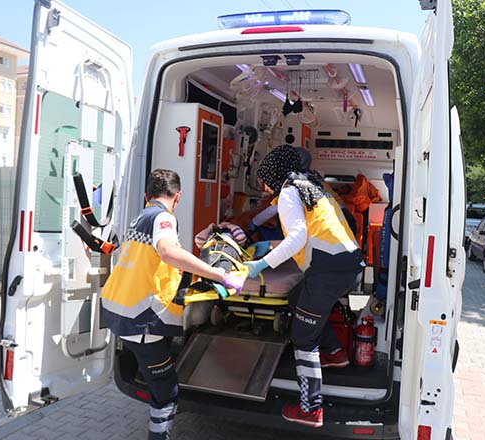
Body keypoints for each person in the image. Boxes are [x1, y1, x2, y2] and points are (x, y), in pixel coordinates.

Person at [101, 169, 245, 440]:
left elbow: (156, 260)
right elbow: (168, 252)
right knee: (166, 391)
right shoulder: (163, 217)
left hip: (120, 313)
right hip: (142, 320)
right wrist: (219, 275)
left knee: (159, 380)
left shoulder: (141, 217)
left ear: (147, 195)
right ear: (177, 196)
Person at [244, 146, 364, 428]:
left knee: (303, 338)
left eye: (264, 179)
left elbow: (297, 237)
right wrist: (266, 240)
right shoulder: (312, 186)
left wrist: (261, 264)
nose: (264, 186)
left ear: (274, 173)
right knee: (297, 297)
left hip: (328, 272)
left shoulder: (289, 192)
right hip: (348, 265)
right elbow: (317, 229)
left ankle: (311, 409)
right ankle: (334, 353)